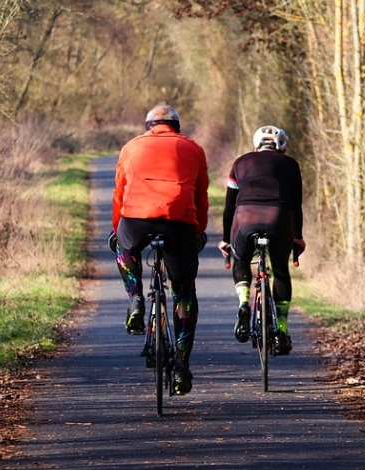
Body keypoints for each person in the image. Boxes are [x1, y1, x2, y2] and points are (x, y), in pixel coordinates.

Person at [109, 104, 209, 395]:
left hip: (136, 218)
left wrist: (118, 230)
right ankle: (180, 365)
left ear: (148, 126)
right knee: (184, 291)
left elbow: (119, 191)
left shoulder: (131, 147)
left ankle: (136, 298)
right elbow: (200, 195)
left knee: (125, 250)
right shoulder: (193, 149)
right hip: (178, 222)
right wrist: (198, 230)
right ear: (175, 126)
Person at [217, 125, 305, 355]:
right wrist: (298, 237)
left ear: (256, 144)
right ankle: (283, 330)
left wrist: (226, 239)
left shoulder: (240, 163)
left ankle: (244, 303)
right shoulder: (291, 165)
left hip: (245, 218)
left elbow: (229, 208)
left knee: (241, 259)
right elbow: (296, 206)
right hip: (279, 219)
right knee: (280, 271)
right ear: (282, 147)